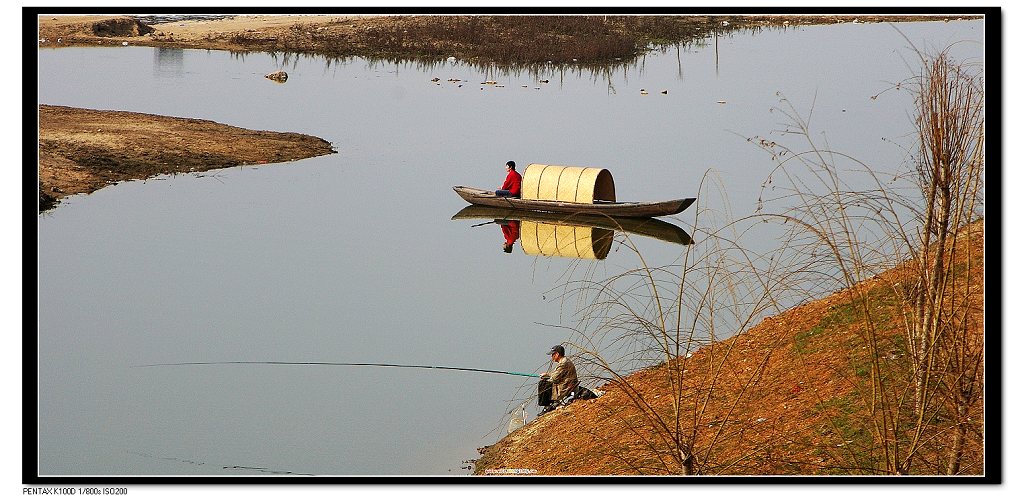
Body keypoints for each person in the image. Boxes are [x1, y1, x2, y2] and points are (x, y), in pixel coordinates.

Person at [539, 344, 578, 414]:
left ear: (557, 354)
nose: (552, 357)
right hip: (567, 385)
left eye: (552, 355)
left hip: (566, 387)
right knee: (545, 382)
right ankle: (549, 404)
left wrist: (546, 377)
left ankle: (548, 405)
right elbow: (557, 375)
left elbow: (554, 378)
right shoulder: (565, 361)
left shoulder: (563, 363)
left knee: (543, 383)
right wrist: (547, 375)